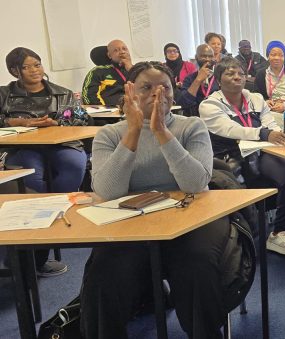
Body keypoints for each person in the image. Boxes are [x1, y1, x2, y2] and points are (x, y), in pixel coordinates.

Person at [80, 61, 231, 338]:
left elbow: (195, 183)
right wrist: (134, 130)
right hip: (132, 221)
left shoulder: (191, 127)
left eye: (165, 87)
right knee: (104, 271)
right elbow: (108, 191)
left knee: (196, 264)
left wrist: (161, 131)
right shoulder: (109, 134)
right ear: (130, 92)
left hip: (191, 217)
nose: (156, 94)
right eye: (146, 87)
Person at [198, 57, 285, 256]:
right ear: (219, 80)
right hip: (228, 156)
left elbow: (270, 124)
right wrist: (264, 133)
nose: (237, 77)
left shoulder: (256, 98)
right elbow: (231, 129)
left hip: (258, 152)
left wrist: (282, 134)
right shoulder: (209, 105)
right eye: (230, 74)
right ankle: (241, 235)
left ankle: (279, 232)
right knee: (234, 182)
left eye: (241, 73)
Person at [0, 47, 82, 277]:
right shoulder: (4, 94)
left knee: (74, 166)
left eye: (37, 65)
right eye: (27, 67)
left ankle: (55, 213)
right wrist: (14, 122)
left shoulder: (62, 93)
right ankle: (35, 251)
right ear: (14, 71)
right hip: (22, 147)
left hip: (61, 144)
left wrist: (57, 123)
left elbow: (80, 118)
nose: (35, 70)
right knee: (32, 182)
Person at [82, 39, 132, 106]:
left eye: (124, 49)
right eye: (116, 50)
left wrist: (131, 68)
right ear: (109, 55)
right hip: (111, 111)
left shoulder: (138, 70)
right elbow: (89, 97)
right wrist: (105, 110)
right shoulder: (98, 72)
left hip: (136, 108)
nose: (122, 52)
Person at [178, 44, 217, 117]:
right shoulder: (189, 78)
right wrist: (198, 80)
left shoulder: (219, 77)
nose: (207, 59)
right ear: (196, 57)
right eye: (203, 56)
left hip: (216, 116)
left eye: (210, 56)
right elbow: (184, 103)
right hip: (196, 118)